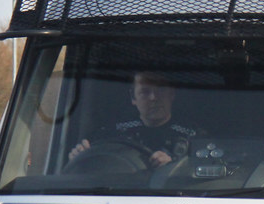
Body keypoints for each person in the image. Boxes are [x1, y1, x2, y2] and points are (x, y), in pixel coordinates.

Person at [68, 72, 200, 168]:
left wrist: (174, 167)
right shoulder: (111, 133)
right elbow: (95, 168)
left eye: (160, 90)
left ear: (171, 94)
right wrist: (79, 157)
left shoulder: (193, 136)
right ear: (133, 98)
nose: (153, 98)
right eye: (145, 92)